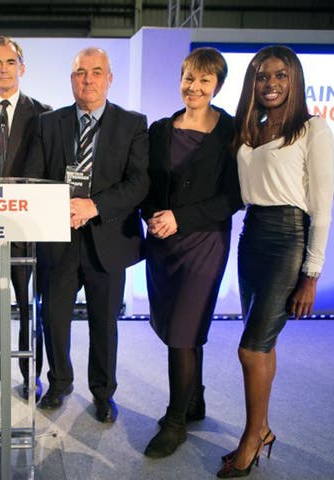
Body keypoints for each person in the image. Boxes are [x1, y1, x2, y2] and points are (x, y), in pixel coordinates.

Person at [217, 45, 334, 478]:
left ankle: (251, 438)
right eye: (263, 76)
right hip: (252, 238)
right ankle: (262, 427)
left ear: (295, 80)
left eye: (281, 76)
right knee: (264, 343)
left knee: (251, 347)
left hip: (289, 239)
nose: (271, 84)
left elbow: (322, 208)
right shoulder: (251, 131)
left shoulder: (313, 129)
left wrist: (311, 274)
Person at [26, 47, 149, 423]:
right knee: (55, 319)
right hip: (58, 240)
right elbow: (35, 177)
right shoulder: (49, 123)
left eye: (97, 72)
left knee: (103, 324)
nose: (88, 79)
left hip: (107, 241)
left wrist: (93, 206)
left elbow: (139, 182)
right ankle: (59, 383)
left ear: (109, 78)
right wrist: (62, 206)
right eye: (81, 72)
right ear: (71, 78)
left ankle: (102, 393)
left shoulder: (132, 124)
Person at [140, 47, 241, 458]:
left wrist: (181, 218)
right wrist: (152, 216)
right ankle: (194, 400)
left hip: (205, 241)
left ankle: (175, 421)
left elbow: (234, 197)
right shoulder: (161, 129)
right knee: (178, 329)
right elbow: (147, 183)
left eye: (204, 80)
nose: (194, 87)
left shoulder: (233, 132)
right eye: (188, 78)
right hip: (163, 244)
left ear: (217, 85)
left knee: (183, 331)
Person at [0, 36, 51, 401]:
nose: (3, 69)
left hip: (28, 231)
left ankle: (31, 374)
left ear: (22, 67)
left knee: (31, 306)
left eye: (10, 62)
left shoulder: (44, 114)